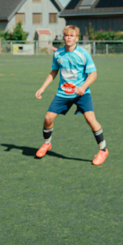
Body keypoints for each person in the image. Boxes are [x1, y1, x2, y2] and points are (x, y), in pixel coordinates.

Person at [34, 25, 108, 165]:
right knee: (48, 118)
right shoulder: (58, 54)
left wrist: (83, 87)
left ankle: (103, 150)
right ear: (63, 37)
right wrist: (42, 88)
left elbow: (93, 74)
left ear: (76, 38)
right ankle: (47, 144)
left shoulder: (83, 54)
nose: (68, 38)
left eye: (72, 36)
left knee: (90, 119)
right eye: (66, 35)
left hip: (82, 93)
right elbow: (54, 72)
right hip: (63, 93)